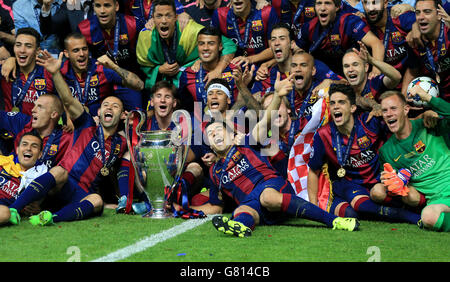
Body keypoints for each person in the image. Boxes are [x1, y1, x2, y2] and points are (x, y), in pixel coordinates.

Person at [184, 78, 360, 238]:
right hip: (253, 201)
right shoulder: (215, 172)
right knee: (242, 210)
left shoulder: (245, 143)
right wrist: (182, 209)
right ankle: (241, 226)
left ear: (231, 135)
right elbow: (216, 207)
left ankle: (334, 221)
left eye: (219, 130)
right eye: (211, 134)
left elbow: (265, 122)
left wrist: (276, 96)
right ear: (210, 145)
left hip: (272, 185)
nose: (215, 134)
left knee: (267, 197)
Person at [7, 50, 129, 226]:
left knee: (97, 200)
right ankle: (14, 210)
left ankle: (50, 218)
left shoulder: (122, 141)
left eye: (115, 106)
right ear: (99, 112)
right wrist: (56, 73)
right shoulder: (87, 125)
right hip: (61, 183)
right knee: (59, 171)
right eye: (105, 105)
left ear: (122, 115)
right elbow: (69, 100)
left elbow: (135, 152)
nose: (109, 107)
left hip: (81, 192)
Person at [307, 83, 422, 224]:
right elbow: (313, 170)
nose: (336, 106)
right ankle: (407, 216)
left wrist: (423, 116)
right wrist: (313, 208)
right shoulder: (323, 134)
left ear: (353, 108)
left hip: (378, 181)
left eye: (341, 102)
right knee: (359, 205)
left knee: (354, 211)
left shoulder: (369, 122)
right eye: (333, 103)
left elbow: (400, 126)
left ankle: (347, 205)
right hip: (349, 183)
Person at [378, 89, 450, 231]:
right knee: (428, 216)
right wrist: (390, 183)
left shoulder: (428, 123)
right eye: (385, 110)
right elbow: (395, 183)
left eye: (393, 108)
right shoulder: (386, 151)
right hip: (439, 199)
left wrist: (429, 98)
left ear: (406, 109)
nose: (389, 114)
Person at [136, 0, 236, 89]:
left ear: (176, 17)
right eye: (159, 16)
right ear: (153, 18)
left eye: (168, 15)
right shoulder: (145, 37)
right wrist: (159, 70)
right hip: (159, 88)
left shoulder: (191, 30)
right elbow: (144, 65)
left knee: (197, 106)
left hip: (191, 85)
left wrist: (217, 69)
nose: (164, 21)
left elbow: (229, 45)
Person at [295, 0, 385, 77]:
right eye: (319, 3)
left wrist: (376, 71)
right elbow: (298, 53)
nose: (322, 8)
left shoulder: (349, 21)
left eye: (327, 3)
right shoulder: (308, 27)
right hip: (326, 76)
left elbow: (376, 44)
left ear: (337, 7)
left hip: (354, 73)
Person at [61, 32, 144, 114]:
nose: (82, 54)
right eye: (76, 50)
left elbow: (139, 85)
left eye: (84, 49)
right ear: (67, 53)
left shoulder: (101, 68)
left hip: (100, 123)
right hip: (70, 123)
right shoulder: (59, 71)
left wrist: (114, 67)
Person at [0, 94, 72, 169]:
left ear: (53, 114)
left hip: (40, 179)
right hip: (9, 176)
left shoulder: (66, 139)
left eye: (40, 107)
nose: (33, 110)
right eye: (34, 105)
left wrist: (73, 121)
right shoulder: (22, 122)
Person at [178, 26, 240, 113]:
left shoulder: (236, 69)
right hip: (201, 125)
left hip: (235, 123)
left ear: (220, 46)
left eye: (211, 43)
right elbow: (184, 106)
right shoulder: (188, 74)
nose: (205, 48)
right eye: (201, 43)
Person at [77, 0, 144, 75]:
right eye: (98, 6)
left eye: (107, 5)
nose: (102, 11)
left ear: (116, 6)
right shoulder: (84, 29)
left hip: (131, 77)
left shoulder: (133, 24)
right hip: (102, 79)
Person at [402, 0, 450, 103]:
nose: (421, 17)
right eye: (418, 12)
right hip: (435, 99)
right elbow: (412, 70)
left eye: (427, 12)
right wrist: (403, 102)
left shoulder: (448, 33)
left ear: (439, 15)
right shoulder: (414, 41)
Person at [0, 27, 56, 116]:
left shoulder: (49, 74)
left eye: (28, 46)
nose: (22, 50)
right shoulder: (5, 69)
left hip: (38, 128)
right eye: (18, 45)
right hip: (10, 128)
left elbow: (64, 103)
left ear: (37, 51)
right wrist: (10, 59)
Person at [211, 0, 279, 67]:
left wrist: (249, 59)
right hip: (232, 67)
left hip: (262, 67)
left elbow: (275, 48)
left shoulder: (266, 12)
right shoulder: (220, 15)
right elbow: (211, 46)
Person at [0, 132, 47, 225]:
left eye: (34, 146)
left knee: (5, 213)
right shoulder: (3, 162)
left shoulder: (40, 178)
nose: (28, 148)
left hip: (2, 210)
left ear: (40, 154)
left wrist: (37, 208)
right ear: (17, 150)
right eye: (24, 144)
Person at [342, 41, 401, 114]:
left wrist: (371, 60)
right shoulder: (344, 89)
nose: (350, 69)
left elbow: (397, 77)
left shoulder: (374, 82)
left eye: (355, 64)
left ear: (366, 67)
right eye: (346, 66)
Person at [361, 0, 416, 75]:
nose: (371, 8)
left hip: (411, 74)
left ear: (385, 3)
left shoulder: (399, 15)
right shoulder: (362, 24)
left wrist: (415, 29)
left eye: (375, 3)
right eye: (366, 3)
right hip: (385, 80)